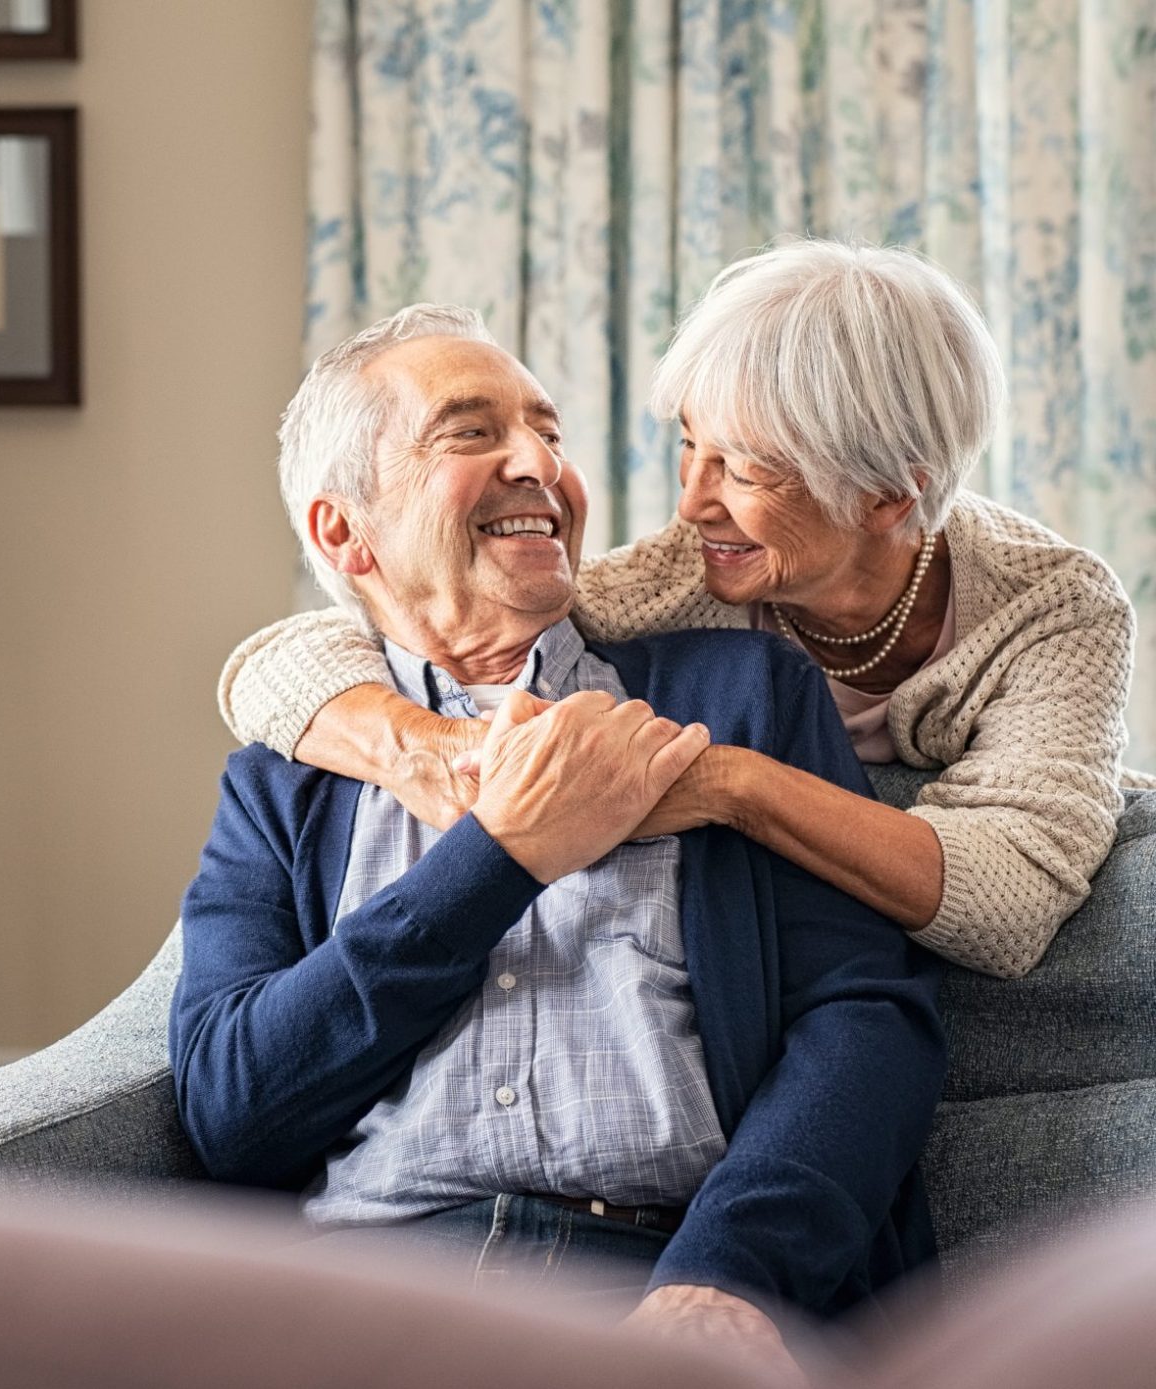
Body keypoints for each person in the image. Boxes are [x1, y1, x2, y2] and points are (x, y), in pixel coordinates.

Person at [170, 307, 945, 1380]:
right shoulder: (285, 778)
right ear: (346, 533)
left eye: (549, 433)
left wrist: (728, 1278)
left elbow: (868, 1023)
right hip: (372, 1299)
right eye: (470, 434)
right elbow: (232, 1110)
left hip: (657, 1277)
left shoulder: (737, 699)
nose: (539, 464)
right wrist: (502, 856)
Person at [219, 240, 1140, 979]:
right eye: (690, 448)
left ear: (888, 496)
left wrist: (727, 786)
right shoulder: (679, 578)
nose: (693, 504)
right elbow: (289, 657)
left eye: (740, 469)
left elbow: (1011, 903)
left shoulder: (1053, 609)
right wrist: (427, 747)